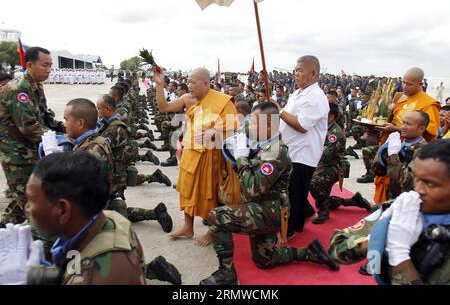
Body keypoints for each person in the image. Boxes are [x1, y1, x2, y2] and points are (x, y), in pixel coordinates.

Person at [200, 102, 339, 285]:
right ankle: (309, 252)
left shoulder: (276, 151)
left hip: (269, 211)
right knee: (265, 260)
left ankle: (226, 275)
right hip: (260, 206)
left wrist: (241, 157)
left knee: (216, 216)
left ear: (268, 125)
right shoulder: (262, 143)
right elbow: (243, 131)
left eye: (255, 122)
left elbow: (252, 189)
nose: (251, 125)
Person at [0, 151, 147, 285]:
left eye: (32, 200)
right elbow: (72, 270)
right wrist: (36, 276)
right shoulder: (110, 220)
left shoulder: (100, 276)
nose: (26, 207)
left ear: (62, 210)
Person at [328, 140, 450, 285]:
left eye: (430, 183)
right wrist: (380, 238)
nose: (419, 189)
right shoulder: (401, 209)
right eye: (416, 178)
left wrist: (399, 256)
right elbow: (337, 249)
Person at [153, 67, 240, 246]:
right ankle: (188, 227)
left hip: (211, 156)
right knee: (187, 190)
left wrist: (214, 132)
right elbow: (164, 107)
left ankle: (212, 231)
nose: (189, 85)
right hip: (191, 152)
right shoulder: (187, 99)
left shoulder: (222, 102)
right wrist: (159, 85)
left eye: (193, 82)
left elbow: (232, 128)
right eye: (188, 81)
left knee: (211, 194)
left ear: (206, 83)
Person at [0, 47, 63, 225]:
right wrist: (55, 141)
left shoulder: (36, 86)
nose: (49, 70)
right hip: (17, 156)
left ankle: (5, 229)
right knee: (33, 206)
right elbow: (28, 127)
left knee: (18, 205)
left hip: (30, 152)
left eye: (50, 66)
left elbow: (45, 116)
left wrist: (63, 128)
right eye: (45, 65)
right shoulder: (18, 88)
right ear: (29, 65)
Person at [96, 95, 172, 232]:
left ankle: (152, 213)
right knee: (114, 209)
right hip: (117, 173)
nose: (98, 111)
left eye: (99, 108)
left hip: (114, 176)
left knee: (111, 214)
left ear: (107, 109)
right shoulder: (110, 125)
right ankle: (155, 212)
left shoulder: (113, 129)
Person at [278, 55, 329, 237]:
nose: (296, 74)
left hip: (303, 154)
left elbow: (301, 125)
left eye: (300, 70)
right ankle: (307, 213)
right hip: (290, 150)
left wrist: (279, 111)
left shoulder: (316, 97)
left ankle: (290, 230)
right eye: (295, 70)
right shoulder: (298, 92)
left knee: (294, 194)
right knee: (294, 189)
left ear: (313, 73)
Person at [374, 68, 440, 204]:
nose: (405, 86)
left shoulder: (428, 103)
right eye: (403, 82)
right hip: (392, 141)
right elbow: (392, 118)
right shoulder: (400, 97)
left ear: (420, 84)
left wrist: (397, 129)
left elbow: (430, 132)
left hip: (408, 151)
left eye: (409, 84)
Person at [309, 104, 371, 225]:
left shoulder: (335, 133)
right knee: (321, 199)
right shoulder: (322, 128)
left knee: (313, 183)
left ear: (331, 116)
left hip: (333, 167)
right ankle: (354, 201)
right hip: (323, 165)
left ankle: (324, 212)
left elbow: (325, 155)